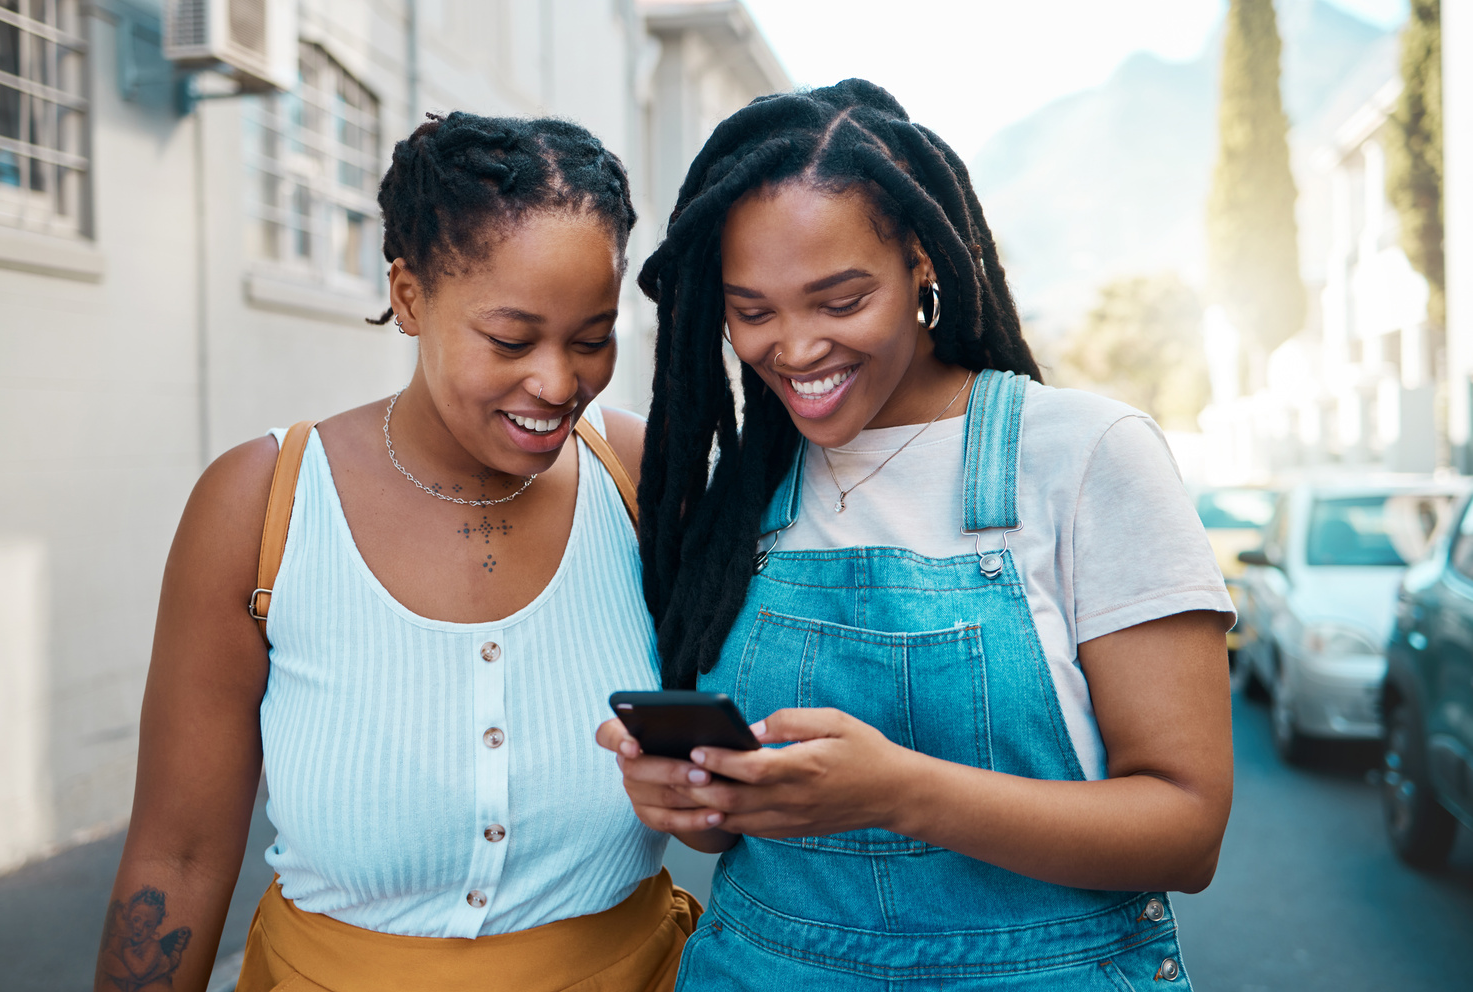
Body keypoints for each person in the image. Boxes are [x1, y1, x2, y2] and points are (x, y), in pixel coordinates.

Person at [598, 79, 1234, 990]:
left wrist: (899, 793)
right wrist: (695, 805)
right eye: (753, 311)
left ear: (923, 261)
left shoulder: (1086, 455)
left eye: (841, 300)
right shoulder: (741, 488)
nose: (797, 348)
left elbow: (1185, 830)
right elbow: (735, 824)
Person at [97, 112, 698, 992]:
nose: (558, 382)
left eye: (591, 337)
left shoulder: (649, 481)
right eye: (511, 339)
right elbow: (178, 860)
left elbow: (732, 797)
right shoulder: (262, 506)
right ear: (410, 296)